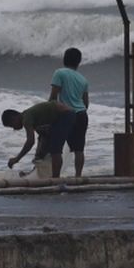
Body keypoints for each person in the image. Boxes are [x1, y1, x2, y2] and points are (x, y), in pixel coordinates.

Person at [47, 47, 90, 177]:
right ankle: (78, 177)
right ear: (79, 62)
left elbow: (53, 97)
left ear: (64, 59)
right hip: (82, 114)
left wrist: (49, 114)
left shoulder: (59, 73)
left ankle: (55, 178)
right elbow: (86, 102)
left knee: (56, 148)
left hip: (65, 115)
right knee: (79, 149)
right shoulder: (83, 79)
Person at [3, 100, 73, 176]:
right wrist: (39, 155)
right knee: (42, 149)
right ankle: (34, 173)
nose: (14, 128)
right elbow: (42, 138)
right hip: (62, 116)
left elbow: (30, 142)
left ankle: (56, 178)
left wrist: (17, 158)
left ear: (14, 118)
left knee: (55, 150)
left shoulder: (26, 118)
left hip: (65, 115)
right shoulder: (30, 116)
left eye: (12, 125)